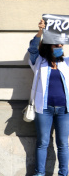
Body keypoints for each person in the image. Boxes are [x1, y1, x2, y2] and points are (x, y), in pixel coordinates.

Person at [29, 19, 69, 176]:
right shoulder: (40, 62)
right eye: (56, 45)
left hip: (64, 110)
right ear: (49, 46)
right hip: (43, 109)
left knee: (63, 144)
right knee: (42, 143)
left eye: (61, 45)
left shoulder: (66, 62)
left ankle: (64, 174)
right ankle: (39, 174)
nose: (59, 47)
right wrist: (40, 31)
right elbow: (32, 48)